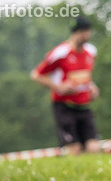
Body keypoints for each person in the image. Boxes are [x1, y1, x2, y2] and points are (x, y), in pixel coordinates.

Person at [30, 16, 101, 155]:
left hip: (83, 106)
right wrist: (59, 87)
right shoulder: (60, 53)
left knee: (94, 148)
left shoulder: (91, 51)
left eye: (88, 31)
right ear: (75, 33)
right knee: (74, 149)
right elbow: (36, 75)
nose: (87, 35)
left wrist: (93, 88)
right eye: (84, 32)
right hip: (64, 107)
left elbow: (85, 77)